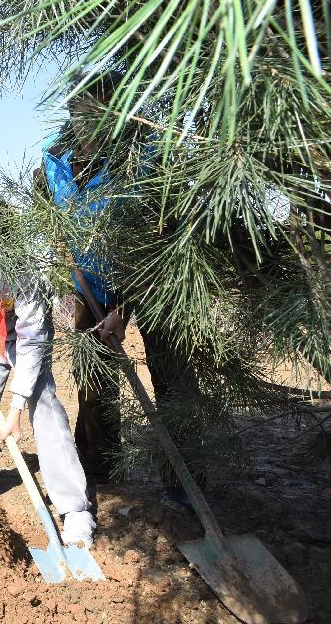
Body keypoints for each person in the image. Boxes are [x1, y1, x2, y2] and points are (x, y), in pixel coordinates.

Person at [41, 74, 199, 503]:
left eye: (100, 125)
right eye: (82, 123)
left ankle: (185, 478)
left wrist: (124, 306)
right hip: (89, 280)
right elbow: (47, 204)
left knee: (171, 369)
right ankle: (100, 468)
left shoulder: (144, 154)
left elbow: (155, 235)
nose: (90, 137)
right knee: (93, 372)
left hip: (153, 277)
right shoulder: (54, 155)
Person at [0, 200, 96, 547]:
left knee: (46, 408)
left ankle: (75, 509)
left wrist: (17, 408)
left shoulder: (27, 270)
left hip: (23, 337)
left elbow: (32, 340)